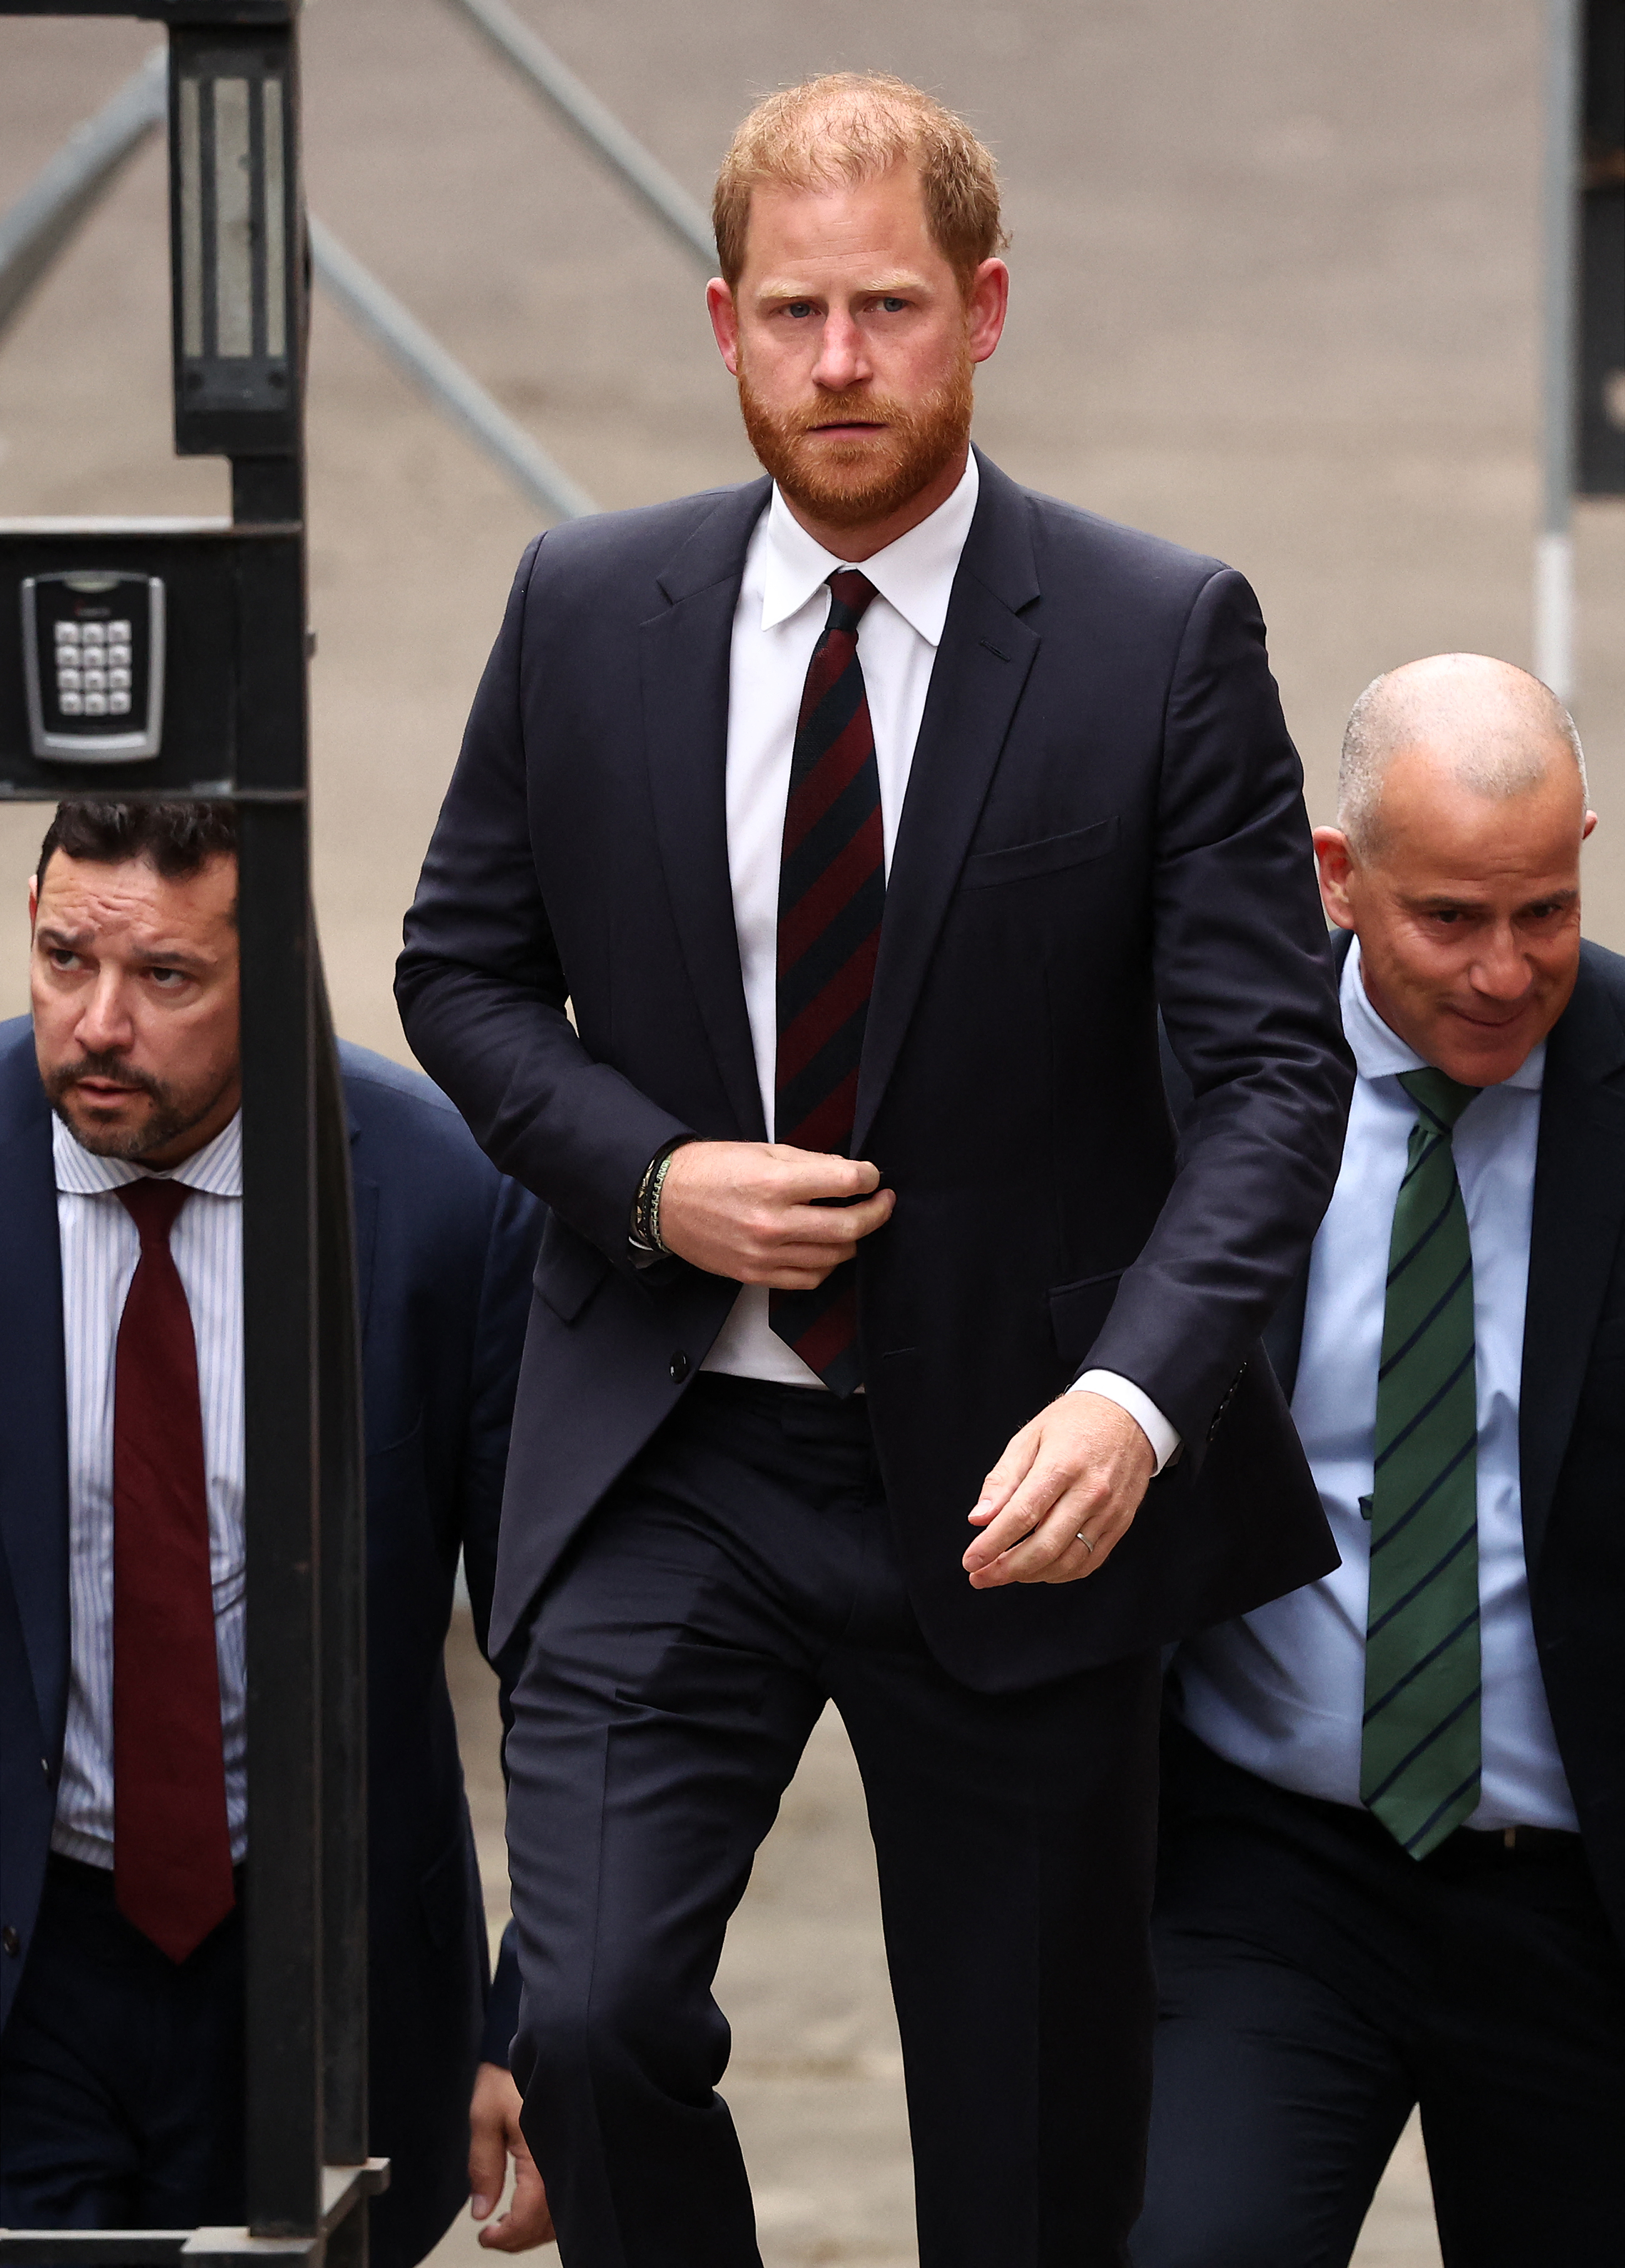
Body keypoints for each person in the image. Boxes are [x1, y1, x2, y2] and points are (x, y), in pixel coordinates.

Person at [395, 72, 1352, 2267]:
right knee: (603, 2005)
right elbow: (458, 968)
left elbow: (1270, 1074)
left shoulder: (1153, 634)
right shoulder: (584, 607)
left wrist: (1133, 1400)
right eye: (794, 312)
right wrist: (648, 1180)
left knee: (1027, 2154)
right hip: (669, 1453)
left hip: (1019, 1476)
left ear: (985, 310)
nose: (841, 364)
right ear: (718, 320)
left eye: (891, 308)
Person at [0, 801, 545, 2266]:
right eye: (61, 959)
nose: (97, 1022)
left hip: (324, 1966)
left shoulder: (440, 1205)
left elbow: (555, 1641)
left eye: (166, 978)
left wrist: (537, 2012)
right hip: (31, 1947)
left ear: (274, 970)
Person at [1132, 655, 1625, 2268]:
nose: (1504, 972)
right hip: (1275, 1868)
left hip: (1582, 1897)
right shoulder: (1192, 1081)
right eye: (1451, 920)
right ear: (1337, 880)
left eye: (1543, 913)